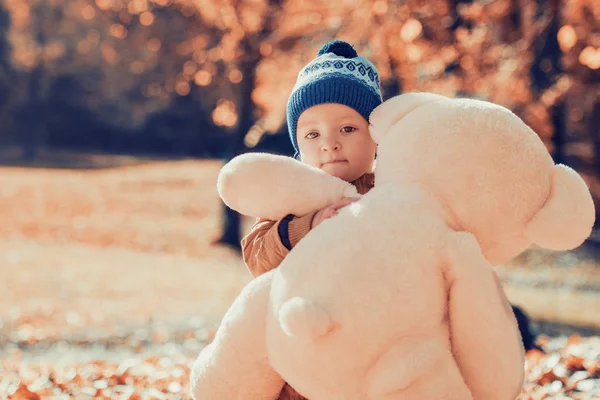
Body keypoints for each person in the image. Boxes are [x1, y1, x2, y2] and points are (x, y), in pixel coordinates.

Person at [241, 39, 538, 400]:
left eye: (347, 129)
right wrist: (304, 228)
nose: (329, 144)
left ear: (376, 139)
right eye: (313, 134)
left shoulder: (392, 189)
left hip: (382, 337)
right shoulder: (290, 196)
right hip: (309, 337)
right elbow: (257, 256)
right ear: (297, 145)